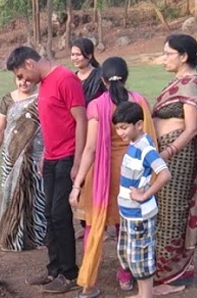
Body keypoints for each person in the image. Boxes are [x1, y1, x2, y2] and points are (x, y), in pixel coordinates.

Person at [69, 56, 156, 298]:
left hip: (102, 174)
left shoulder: (97, 106)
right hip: (132, 173)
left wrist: (77, 185)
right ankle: (126, 276)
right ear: (126, 77)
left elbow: (91, 149)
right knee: (125, 225)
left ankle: (88, 282)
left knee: (94, 226)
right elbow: (150, 140)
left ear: (103, 80)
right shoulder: (139, 101)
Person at [6, 46, 87, 294]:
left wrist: (78, 162)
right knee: (49, 215)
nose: (24, 80)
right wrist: (45, 155)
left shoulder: (65, 79)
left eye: (22, 74)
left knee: (60, 215)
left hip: (67, 157)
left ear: (30, 64)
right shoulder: (44, 84)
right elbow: (51, 122)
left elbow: (81, 120)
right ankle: (54, 269)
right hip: (51, 158)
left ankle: (69, 273)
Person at [151, 34, 197, 295]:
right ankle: (164, 270)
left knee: (173, 213)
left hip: (177, 158)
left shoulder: (191, 84)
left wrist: (168, 151)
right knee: (163, 212)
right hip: (166, 156)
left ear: (183, 56)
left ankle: (174, 277)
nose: (164, 59)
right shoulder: (179, 82)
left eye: (168, 54)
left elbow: (191, 128)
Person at [113, 101, 171, 298]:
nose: (120, 132)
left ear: (138, 124)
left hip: (140, 216)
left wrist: (145, 195)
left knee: (141, 257)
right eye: (117, 128)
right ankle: (142, 295)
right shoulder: (135, 144)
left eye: (124, 127)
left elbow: (164, 173)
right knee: (132, 255)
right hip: (129, 213)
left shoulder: (145, 148)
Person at [0, 77, 46, 252]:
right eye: (19, 79)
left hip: (36, 156)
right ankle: (11, 236)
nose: (23, 83)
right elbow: (0, 129)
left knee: (36, 196)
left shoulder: (42, 99)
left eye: (27, 80)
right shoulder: (7, 100)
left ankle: (37, 237)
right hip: (11, 155)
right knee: (11, 194)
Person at [70, 38, 106, 240]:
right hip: (76, 133)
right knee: (80, 178)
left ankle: (100, 221)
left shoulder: (100, 77)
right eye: (72, 54)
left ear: (89, 55)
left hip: (97, 131)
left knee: (94, 176)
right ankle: (85, 222)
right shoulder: (72, 78)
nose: (75, 58)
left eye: (78, 54)